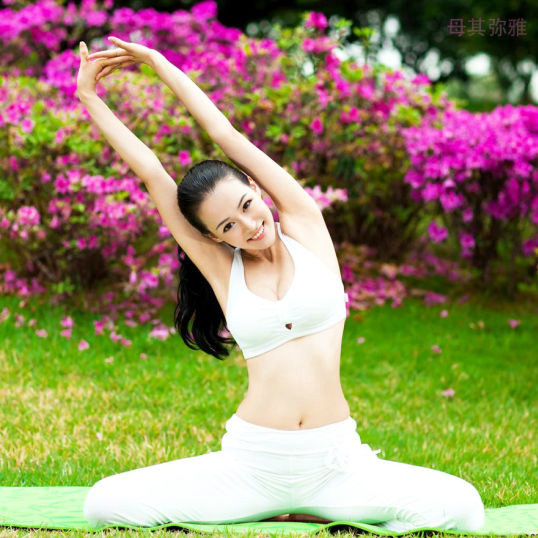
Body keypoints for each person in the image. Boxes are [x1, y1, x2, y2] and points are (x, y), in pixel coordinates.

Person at [76, 38, 486, 531]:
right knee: (103, 504)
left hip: (335, 463)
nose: (249, 226)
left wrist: (159, 63)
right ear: (213, 237)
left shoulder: (305, 226)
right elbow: (151, 172)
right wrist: (89, 98)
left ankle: (315, 505)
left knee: (464, 507)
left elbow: (224, 134)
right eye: (228, 226)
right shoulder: (222, 269)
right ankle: (282, 505)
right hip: (252, 465)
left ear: (255, 189)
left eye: (247, 206)